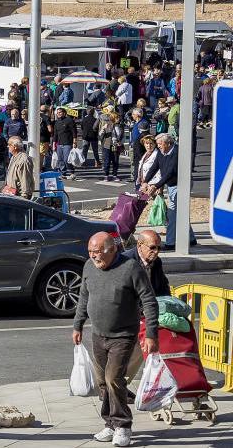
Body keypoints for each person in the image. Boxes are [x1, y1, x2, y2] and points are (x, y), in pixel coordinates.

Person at [73, 232, 159, 448]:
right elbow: (84, 296)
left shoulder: (130, 268)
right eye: (90, 252)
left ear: (112, 250)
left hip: (123, 335)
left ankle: (123, 426)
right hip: (98, 334)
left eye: (98, 252)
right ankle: (110, 424)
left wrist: (151, 333)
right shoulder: (88, 267)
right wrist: (78, 324)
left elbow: (149, 300)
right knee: (103, 382)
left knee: (113, 379)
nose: (94, 256)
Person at [143, 133, 195, 250]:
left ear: (168, 143)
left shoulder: (177, 152)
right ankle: (191, 239)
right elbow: (155, 167)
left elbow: (170, 172)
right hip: (171, 185)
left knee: (172, 213)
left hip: (181, 185)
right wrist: (146, 181)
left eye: (160, 144)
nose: (158, 146)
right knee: (180, 212)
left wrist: (156, 186)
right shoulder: (161, 152)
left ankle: (170, 243)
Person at [125, 229, 170, 297]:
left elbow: (163, 286)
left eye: (159, 248)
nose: (156, 251)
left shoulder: (157, 261)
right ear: (140, 245)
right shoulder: (126, 261)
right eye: (152, 247)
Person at [51, 108, 77, 178]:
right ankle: (63, 173)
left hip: (68, 143)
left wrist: (75, 141)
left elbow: (74, 132)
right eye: (57, 112)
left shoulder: (69, 120)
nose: (58, 114)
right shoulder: (56, 122)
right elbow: (55, 134)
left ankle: (72, 171)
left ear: (64, 113)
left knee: (66, 159)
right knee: (60, 159)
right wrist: (54, 144)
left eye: (60, 112)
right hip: (59, 143)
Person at [99, 110, 124, 182]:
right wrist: (103, 129)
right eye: (117, 117)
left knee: (115, 161)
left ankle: (114, 175)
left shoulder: (120, 126)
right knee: (107, 161)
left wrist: (121, 142)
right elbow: (100, 136)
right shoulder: (107, 125)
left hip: (116, 145)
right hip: (107, 145)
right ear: (113, 118)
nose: (118, 119)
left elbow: (122, 135)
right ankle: (106, 175)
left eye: (118, 117)